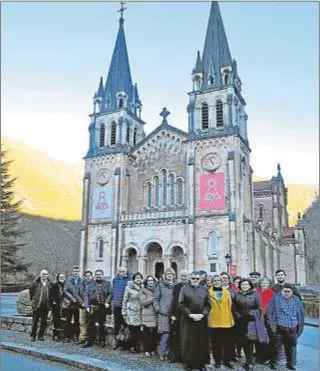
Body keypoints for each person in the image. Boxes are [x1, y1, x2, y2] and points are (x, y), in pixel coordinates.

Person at [179, 270, 211, 371]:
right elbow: (181, 303)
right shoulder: (184, 289)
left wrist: (203, 314)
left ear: (200, 279)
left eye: (197, 278)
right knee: (189, 342)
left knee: (201, 341)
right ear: (190, 279)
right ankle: (189, 363)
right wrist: (190, 314)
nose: (195, 280)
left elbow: (208, 304)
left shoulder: (204, 289)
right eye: (193, 278)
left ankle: (201, 364)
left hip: (201, 319)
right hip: (188, 319)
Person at [267, 284, 304, 371]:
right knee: (276, 348)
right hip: (279, 328)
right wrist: (273, 327)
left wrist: (298, 327)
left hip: (292, 328)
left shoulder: (296, 300)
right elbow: (270, 313)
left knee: (290, 348)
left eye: (288, 291)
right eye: (285, 291)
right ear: (282, 291)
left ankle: (290, 364)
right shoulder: (276, 299)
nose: (286, 293)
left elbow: (301, 313)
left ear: (292, 292)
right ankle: (273, 363)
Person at [233, 278, 263, 371]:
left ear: (250, 285)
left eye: (246, 284)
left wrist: (253, 314)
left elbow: (259, 307)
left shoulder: (255, 294)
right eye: (242, 284)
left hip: (252, 321)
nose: (244, 286)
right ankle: (248, 360)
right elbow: (234, 308)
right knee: (244, 341)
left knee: (251, 340)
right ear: (240, 286)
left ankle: (250, 362)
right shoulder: (237, 295)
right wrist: (238, 316)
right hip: (241, 321)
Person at [208, 275, 235, 369]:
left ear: (221, 281)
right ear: (212, 282)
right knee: (216, 344)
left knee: (227, 343)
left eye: (218, 280)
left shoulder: (226, 292)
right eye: (214, 280)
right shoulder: (208, 292)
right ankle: (217, 361)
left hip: (225, 320)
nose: (217, 282)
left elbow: (230, 306)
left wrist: (231, 318)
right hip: (213, 321)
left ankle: (227, 361)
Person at [83, 269, 112, 348]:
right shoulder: (90, 284)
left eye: (100, 274)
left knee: (102, 324)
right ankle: (89, 341)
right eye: (97, 274)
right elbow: (86, 295)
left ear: (102, 275)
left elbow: (110, 293)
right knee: (90, 324)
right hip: (93, 306)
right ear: (95, 276)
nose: (98, 276)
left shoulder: (107, 283)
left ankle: (102, 341)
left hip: (102, 307)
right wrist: (87, 306)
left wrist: (107, 302)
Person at [153, 267, 175, 361]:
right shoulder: (160, 285)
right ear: (165, 276)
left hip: (174, 315)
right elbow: (155, 299)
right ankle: (162, 353)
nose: (169, 276)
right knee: (165, 335)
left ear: (174, 276)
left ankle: (171, 354)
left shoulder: (176, 285)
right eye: (168, 274)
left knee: (173, 335)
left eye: (171, 274)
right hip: (164, 314)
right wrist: (158, 309)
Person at [169, 269, 190, 362]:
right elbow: (173, 301)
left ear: (188, 277)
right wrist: (172, 314)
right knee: (175, 336)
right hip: (177, 314)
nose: (183, 278)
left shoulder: (191, 286)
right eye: (182, 276)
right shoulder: (177, 286)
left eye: (185, 276)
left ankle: (184, 357)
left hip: (188, 314)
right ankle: (175, 357)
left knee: (186, 337)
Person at [256, 277, 276, 365]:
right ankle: (260, 357)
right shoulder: (257, 292)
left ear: (269, 284)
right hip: (258, 318)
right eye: (262, 283)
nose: (264, 284)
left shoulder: (272, 293)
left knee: (269, 339)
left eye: (266, 283)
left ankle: (269, 357)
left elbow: (273, 306)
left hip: (268, 319)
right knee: (260, 339)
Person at [122, 272, 143, 353]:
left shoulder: (143, 287)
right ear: (134, 279)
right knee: (132, 330)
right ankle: (132, 346)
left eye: (140, 278)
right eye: (137, 278)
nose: (138, 279)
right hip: (131, 311)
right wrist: (123, 312)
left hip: (140, 311)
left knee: (138, 330)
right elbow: (125, 300)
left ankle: (136, 346)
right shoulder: (128, 288)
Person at [29, 269, 53, 341]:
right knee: (35, 321)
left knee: (43, 321)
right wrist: (33, 302)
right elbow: (31, 293)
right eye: (43, 274)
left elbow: (52, 294)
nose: (44, 276)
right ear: (40, 275)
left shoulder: (50, 284)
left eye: (46, 274)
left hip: (46, 305)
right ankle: (33, 335)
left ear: (47, 275)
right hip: (37, 305)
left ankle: (41, 335)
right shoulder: (35, 283)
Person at [62, 265, 84, 342]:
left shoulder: (81, 281)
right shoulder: (68, 280)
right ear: (72, 272)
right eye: (74, 271)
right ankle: (67, 337)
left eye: (77, 271)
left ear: (79, 272)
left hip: (77, 304)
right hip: (69, 304)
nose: (76, 273)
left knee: (77, 321)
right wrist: (71, 298)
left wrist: (80, 300)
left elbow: (82, 292)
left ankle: (76, 336)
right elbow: (65, 290)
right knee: (68, 320)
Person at [112, 266, 132, 349]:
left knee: (125, 325)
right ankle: (117, 342)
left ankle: (125, 344)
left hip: (125, 306)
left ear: (126, 272)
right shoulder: (115, 280)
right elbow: (113, 291)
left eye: (123, 271)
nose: (122, 273)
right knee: (117, 324)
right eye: (120, 271)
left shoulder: (129, 281)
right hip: (116, 305)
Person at [140, 275, 158, 356]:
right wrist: (152, 298)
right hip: (147, 314)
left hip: (155, 313)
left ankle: (153, 349)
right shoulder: (143, 290)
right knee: (146, 333)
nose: (150, 282)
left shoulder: (157, 290)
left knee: (154, 333)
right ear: (146, 282)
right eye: (149, 281)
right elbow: (143, 302)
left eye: (152, 280)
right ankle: (147, 349)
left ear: (154, 282)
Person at [77, 270, 93, 346]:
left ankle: (88, 340)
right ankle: (82, 338)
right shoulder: (81, 284)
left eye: (89, 276)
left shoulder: (94, 284)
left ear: (91, 276)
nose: (87, 277)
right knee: (82, 322)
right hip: (82, 306)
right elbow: (77, 294)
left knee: (89, 323)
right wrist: (82, 302)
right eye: (86, 276)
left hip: (90, 306)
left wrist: (88, 304)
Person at [49, 273, 65, 341]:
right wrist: (53, 302)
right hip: (56, 306)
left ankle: (61, 335)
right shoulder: (55, 285)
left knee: (62, 320)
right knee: (56, 320)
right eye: (60, 277)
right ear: (58, 278)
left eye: (63, 277)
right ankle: (56, 335)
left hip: (64, 305)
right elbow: (50, 295)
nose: (61, 278)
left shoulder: (65, 285)